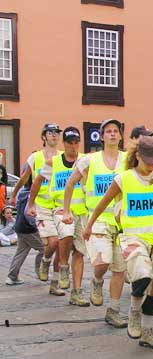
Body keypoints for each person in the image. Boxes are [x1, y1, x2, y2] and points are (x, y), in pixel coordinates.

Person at [84, 136, 153, 348]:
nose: (152, 166)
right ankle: (134, 309)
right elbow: (102, 203)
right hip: (133, 238)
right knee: (143, 274)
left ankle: (148, 331)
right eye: (148, 161)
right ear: (138, 156)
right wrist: (89, 226)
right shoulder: (124, 179)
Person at [62, 118, 127, 328]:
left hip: (122, 221)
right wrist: (65, 210)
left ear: (120, 135)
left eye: (116, 131)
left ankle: (114, 310)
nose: (112, 134)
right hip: (97, 220)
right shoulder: (89, 160)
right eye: (108, 131)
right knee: (102, 263)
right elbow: (70, 184)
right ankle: (97, 280)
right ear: (101, 136)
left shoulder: (128, 160)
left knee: (120, 269)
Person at [27, 127, 89, 306]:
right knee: (64, 236)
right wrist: (31, 204)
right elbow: (37, 181)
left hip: (82, 211)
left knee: (79, 252)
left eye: (76, 142)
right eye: (70, 142)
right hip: (60, 209)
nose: (73, 146)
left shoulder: (85, 160)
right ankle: (62, 267)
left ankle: (76, 292)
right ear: (65, 143)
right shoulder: (54, 162)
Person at [9, 123, 64, 294]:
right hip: (40, 206)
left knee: (62, 246)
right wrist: (13, 195)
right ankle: (44, 262)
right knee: (51, 242)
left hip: (60, 206)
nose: (54, 135)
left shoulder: (63, 156)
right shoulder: (35, 158)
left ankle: (54, 283)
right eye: (50, 132)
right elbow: (23, 178)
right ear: (44, 137)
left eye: (57, 133)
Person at [5, 178, 44, 285]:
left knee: (21, 251)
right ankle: (40, 272)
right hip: (28, 228)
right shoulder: (31, 194)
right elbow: (29, 213)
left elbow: (18, 207)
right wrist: (36, 225)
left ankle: (12, 277)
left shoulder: (21, 193)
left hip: (19, 225)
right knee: (44, 249)